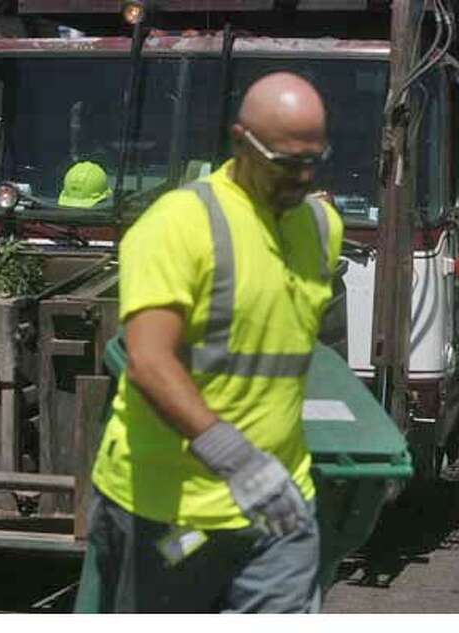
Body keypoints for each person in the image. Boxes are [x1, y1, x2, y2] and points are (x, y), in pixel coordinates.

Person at [81, 72, 343, 612]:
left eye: (314, 159)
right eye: (287, 162)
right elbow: (149, 361)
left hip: (277, 508)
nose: (304, 176)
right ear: (241, 141)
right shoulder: (178, 225)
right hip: (169, 513)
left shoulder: (320, 226)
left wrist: (273, 478)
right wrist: (240, 463)